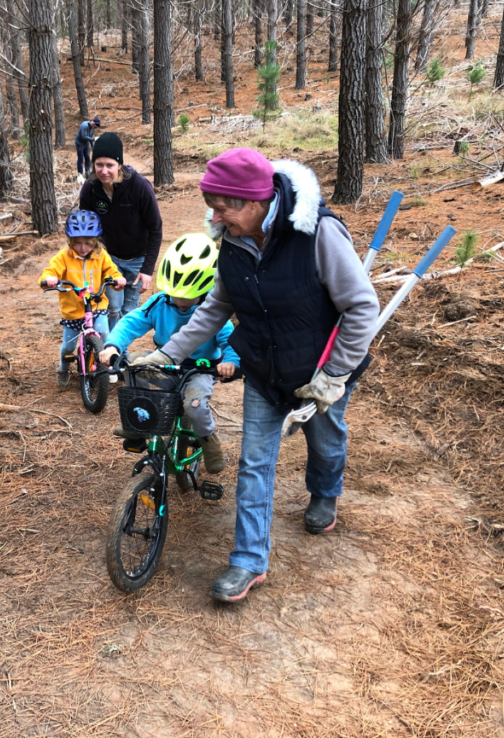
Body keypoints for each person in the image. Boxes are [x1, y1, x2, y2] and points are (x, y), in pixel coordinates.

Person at [132, 149, 380, 604]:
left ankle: (325, 493)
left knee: (324, 440)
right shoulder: (234, 242)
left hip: (320, 370)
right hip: (265, 371)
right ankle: (248, 559)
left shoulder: (318, 234)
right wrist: (167, 354)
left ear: (255, 201)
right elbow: (215, 308)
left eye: (222, 206)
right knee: (254, 463)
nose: (215, 215)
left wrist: (334, 375)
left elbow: (362, 308)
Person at [98, 233, 239, 474]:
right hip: (164, 364)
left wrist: (230, 361)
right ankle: (138, 424)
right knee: (134, 364)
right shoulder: (160, 302)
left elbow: (229, 341)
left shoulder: (212, 310)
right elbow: (131, 322)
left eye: (187, 296)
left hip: (199, 370)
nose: (180, 301)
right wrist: (113, 345)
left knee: (195, 406)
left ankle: (208, 440)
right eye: (175, 293)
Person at [79, 132, 163, 330]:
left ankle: (120, 355)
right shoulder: (90, 189)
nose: (104, 171)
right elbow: (85, 229)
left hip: (137, 259)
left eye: (110, 165)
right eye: (99, 165)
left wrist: (147, 269)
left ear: (119, 164)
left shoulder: (139, 187)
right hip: (109, 258)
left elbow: (155, 229)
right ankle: (109, 353)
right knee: (112, 308)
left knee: (129, 310)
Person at [40, 210, 126, 387]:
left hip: (96, 305)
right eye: (77, 243)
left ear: (95, 242)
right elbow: (51, 270)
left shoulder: (100, 255)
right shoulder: (64, 256)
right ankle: (63, 367)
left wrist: (117, 279)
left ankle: (106, 365)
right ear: (70, 241)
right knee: (68, 347)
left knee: (103, 333)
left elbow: (112, 271)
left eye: (88, 243)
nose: (83, 247)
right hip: (73, 309)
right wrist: (50, 279)